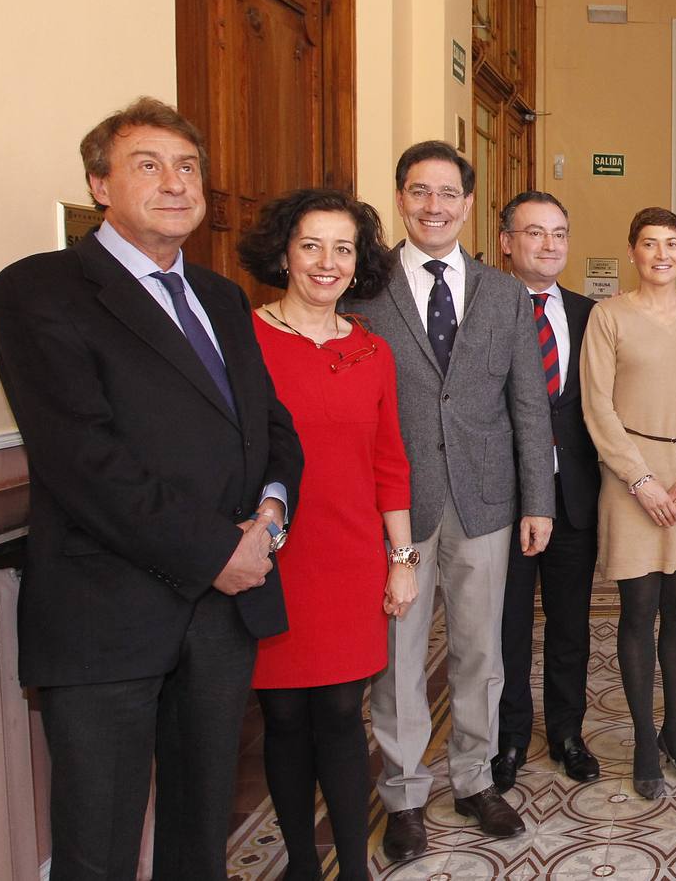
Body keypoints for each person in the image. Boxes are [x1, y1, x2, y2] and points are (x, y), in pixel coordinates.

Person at [0, 96, 302, 880]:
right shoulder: (39, 290)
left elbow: (275, 430)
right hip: (108, 614)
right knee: (99, 844)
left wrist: (268, 516)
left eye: (188, 166)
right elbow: (83, 461)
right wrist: (213, 553)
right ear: (100, 184)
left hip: (219, 619)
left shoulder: (224, 298)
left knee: (200, 836)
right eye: (148, 165)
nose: (175, 182)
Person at [354, 141, 554, 861]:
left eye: (447, 193)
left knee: (480, 652)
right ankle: (404, 795)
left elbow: (528, 405)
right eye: (419, 191)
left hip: (486, 502)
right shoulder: (365, 290)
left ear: (469, 205)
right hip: (396, 506)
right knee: (398, 657)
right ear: (400, 199)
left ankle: (474, 778)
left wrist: (540, 501)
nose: (433, 206)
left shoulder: (503, 294)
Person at [236, 188, 415, 880]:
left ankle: (355, 864)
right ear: (284, 252)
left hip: (350, 556)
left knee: (343, 715)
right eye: (312, 245)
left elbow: (390, 464)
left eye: (343, 248)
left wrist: (400, 560)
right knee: (282, 717)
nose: (327, 262)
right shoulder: (242, 342)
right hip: (277, 556)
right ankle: (302, 865)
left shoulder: (372, 351)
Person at [582, 207, 676, 798]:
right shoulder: (609, 316)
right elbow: (597, 407)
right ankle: (645, 738)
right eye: (650, 244)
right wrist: (640, 481)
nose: (662, 254)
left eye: (672, 243)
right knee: (638, 610)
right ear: (633, 252)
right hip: (631, 479)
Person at [493, 191, 603, 792]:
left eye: (559, 233)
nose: (549, 245)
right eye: (534, 233)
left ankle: (566, 732)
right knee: (507, 627)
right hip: (504, 498)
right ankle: (509, 739)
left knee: (570, 625)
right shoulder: (482, 308)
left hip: (574, 496)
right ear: (507, 240)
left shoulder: (590, 314)